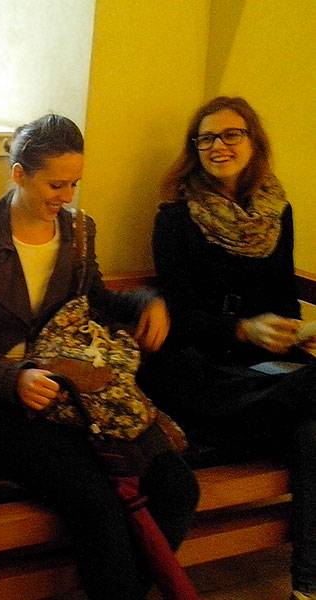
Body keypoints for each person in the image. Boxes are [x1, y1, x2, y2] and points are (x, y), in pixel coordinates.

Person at [0, 114, 200, 600]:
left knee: (177, 486)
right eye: (55, 184)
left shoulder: (79, 231)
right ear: (19, 174)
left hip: (73, 387)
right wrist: (15, 378)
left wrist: (146, 302)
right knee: (96, 500)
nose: (66, 195)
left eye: (74, 184)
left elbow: (96, 299)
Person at [138, 96, 316, 600]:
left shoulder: (277, 212)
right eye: (207, 138)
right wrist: (242, 330)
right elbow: (180, 315)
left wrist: (295, 332)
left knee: (312, 424)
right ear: (195, 149)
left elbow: (284, 300)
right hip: (201, 371)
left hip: (263, 374)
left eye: (231, 134)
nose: (218, 146)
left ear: (253, 141)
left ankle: (306, 585)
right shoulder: (175, 217)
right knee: (307, 405)